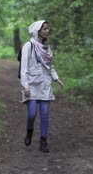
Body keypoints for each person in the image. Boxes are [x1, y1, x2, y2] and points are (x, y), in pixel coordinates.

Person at [20, 20, 64, 152]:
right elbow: (24, 67)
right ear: (37, 31)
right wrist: (25, 86)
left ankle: (43, 140)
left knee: (45, 114)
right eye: (44, 29)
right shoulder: (28, 46)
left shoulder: (47, 48)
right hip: (32, 85)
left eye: (47, 29)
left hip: (45, 84)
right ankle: (29, 131)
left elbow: (50, 67)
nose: (47, 31)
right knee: (32, 113)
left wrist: (56, 78)